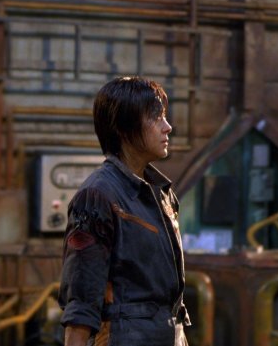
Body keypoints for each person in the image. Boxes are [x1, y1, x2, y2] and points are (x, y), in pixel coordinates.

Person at [58, 76, 189, 346]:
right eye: (156, 118)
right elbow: (81, 302)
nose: (168, 127)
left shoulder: (161, 193)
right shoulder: (97, 196)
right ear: (123, 128)